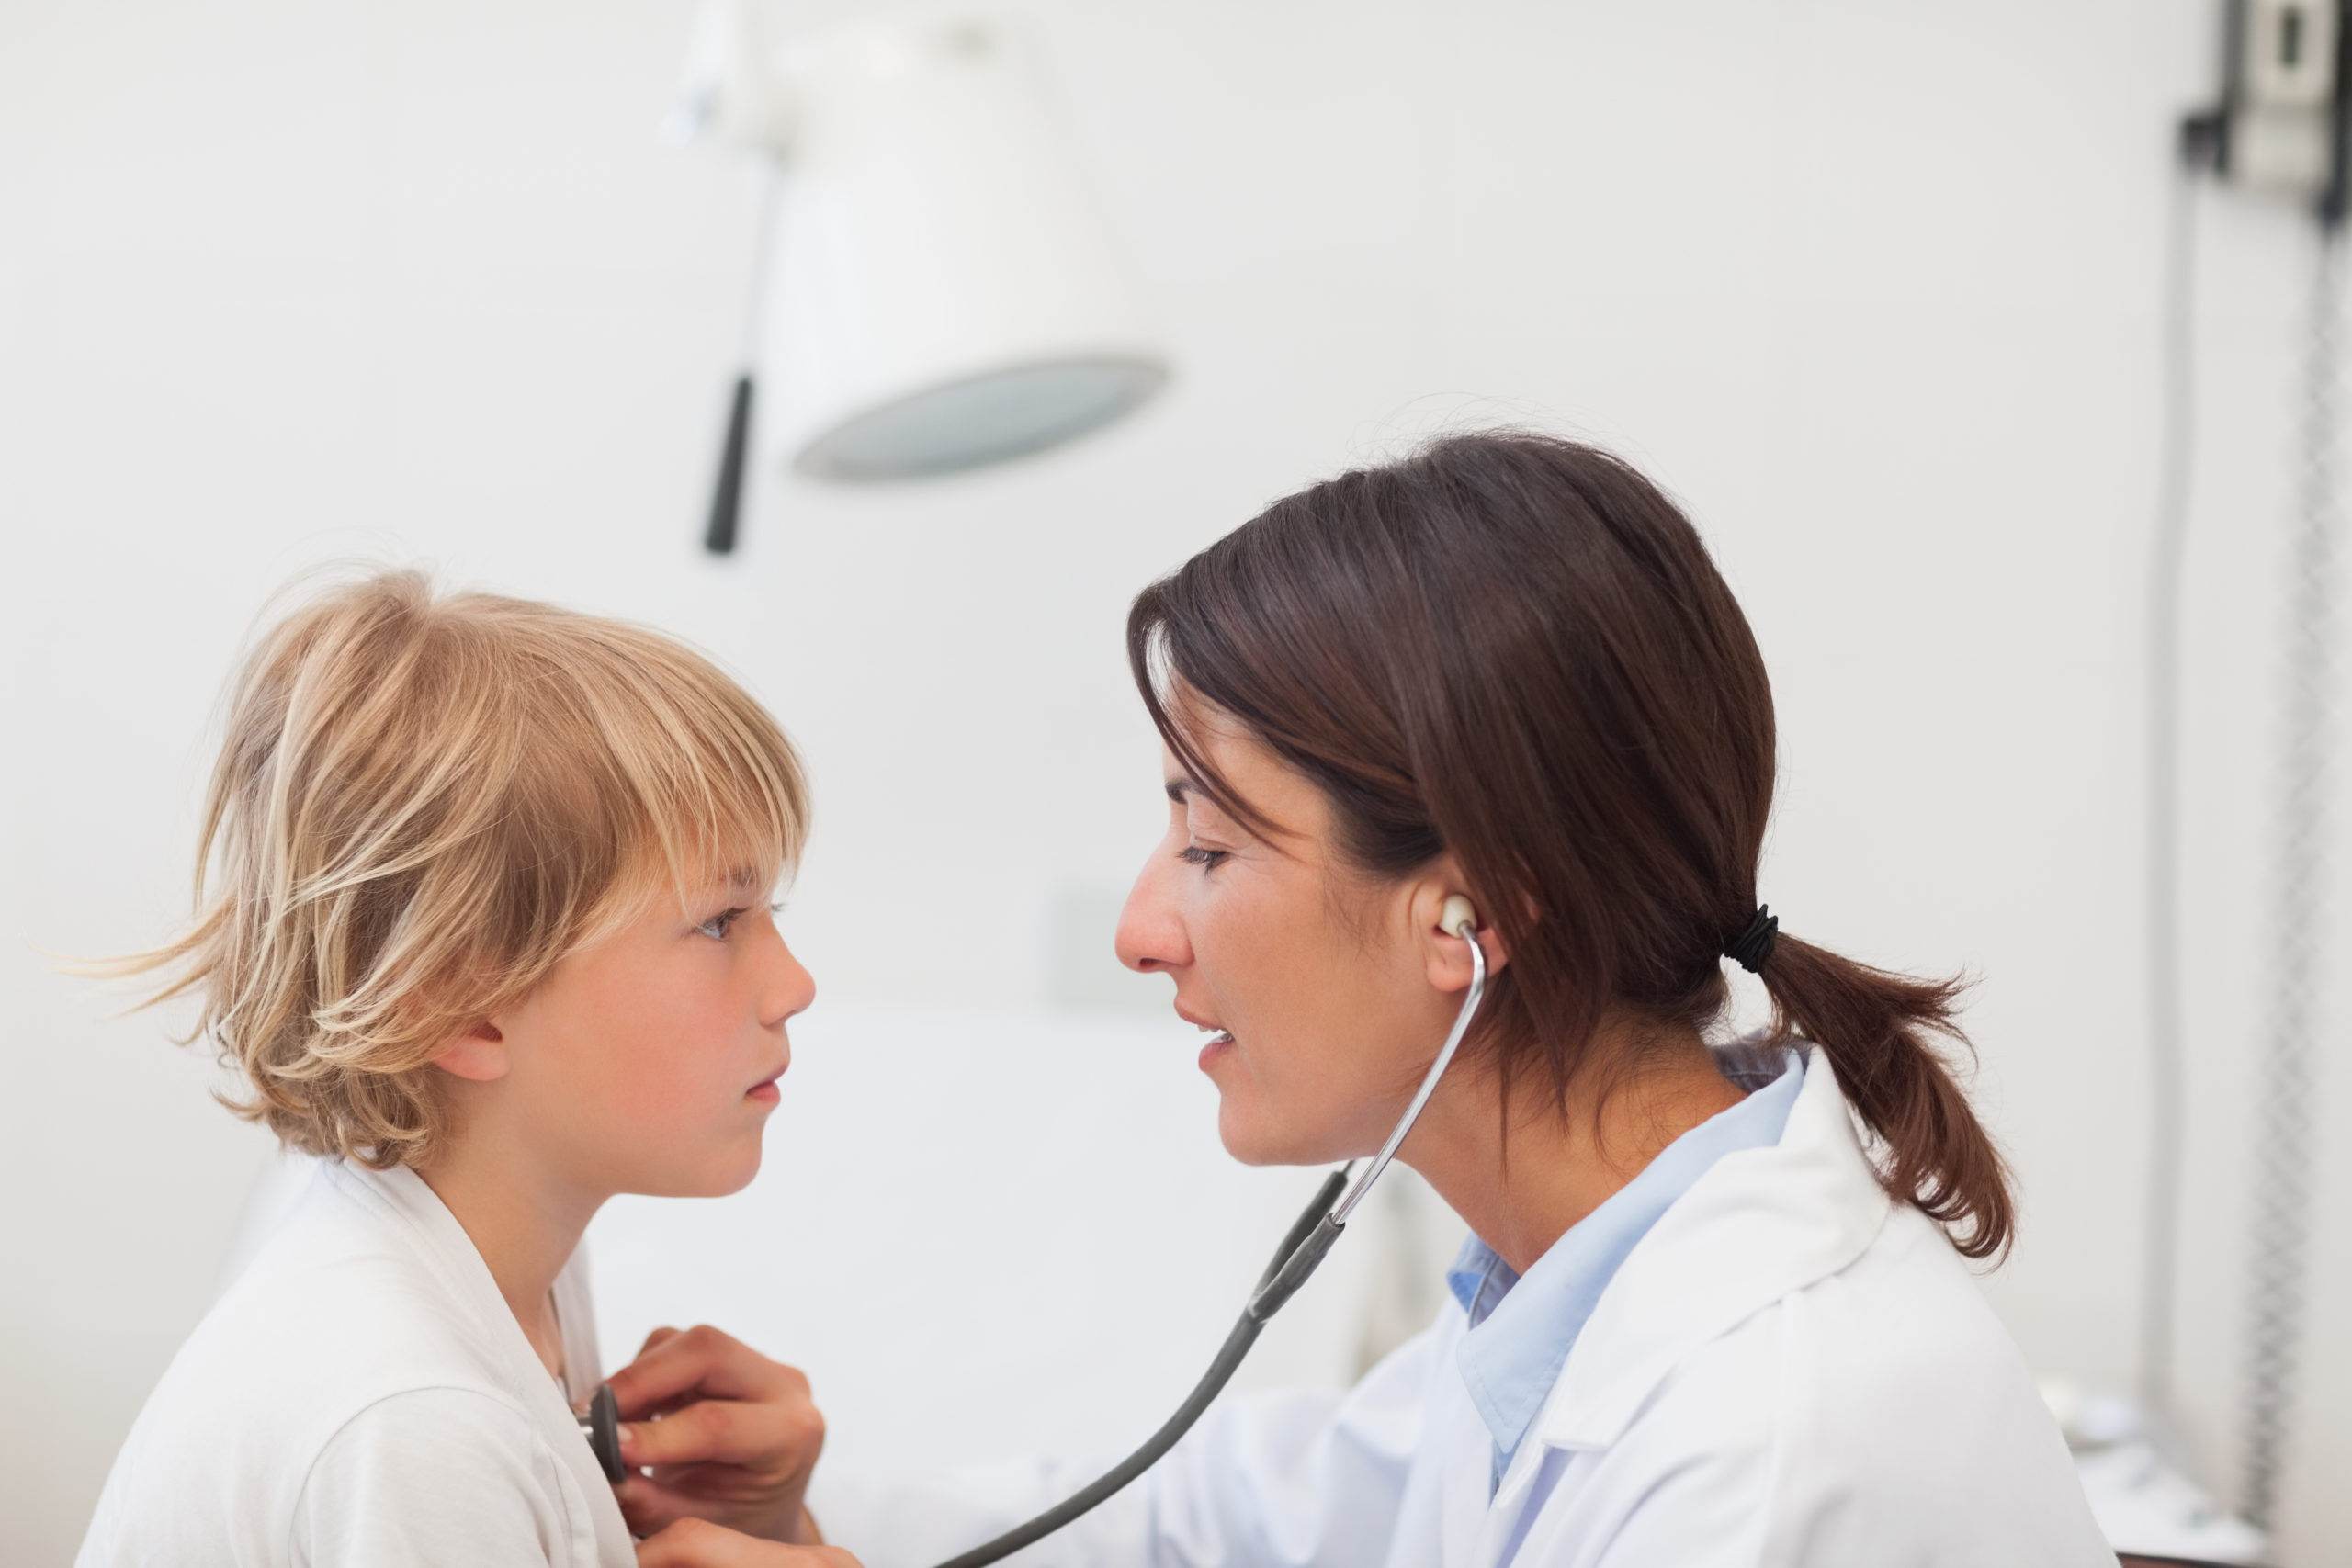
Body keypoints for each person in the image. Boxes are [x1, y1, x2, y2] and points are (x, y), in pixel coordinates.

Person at [601, 433, 2117, 1566]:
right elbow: (1218, 1528)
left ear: (1469, 909)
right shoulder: (1563, 1294)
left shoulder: (1765, 1452)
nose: (1143, 929)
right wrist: (814, 1520)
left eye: (1207, 842)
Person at [75, 571, 854, 1568]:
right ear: (462, 1010)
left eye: (768, 916)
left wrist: (772, 1531)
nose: (793, 986)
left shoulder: (505, 1258)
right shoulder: (415, 1417)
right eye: (718, 921)